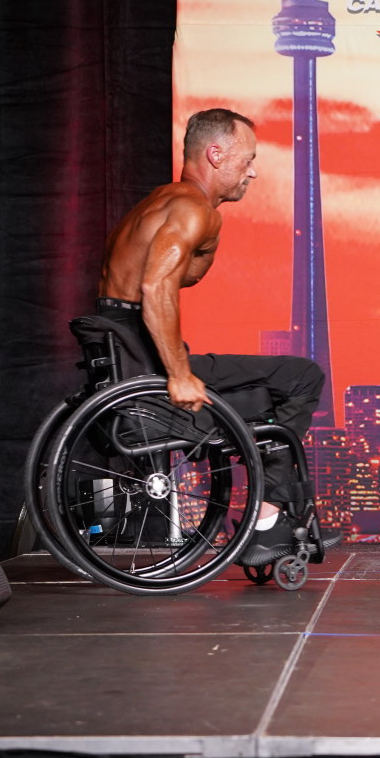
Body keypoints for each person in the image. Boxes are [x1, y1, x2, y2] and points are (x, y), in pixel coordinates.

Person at [93, 107, 338, 566]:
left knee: (285, 380)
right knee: (301, 377)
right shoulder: (192, 209)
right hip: (149, 364)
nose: (253, 171)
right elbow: (156, 287)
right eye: (248, 159)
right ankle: (266, 520)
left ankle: (266, 510)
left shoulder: (158, 203)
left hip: (131, 353)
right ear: (215, 154)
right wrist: (179, 375)